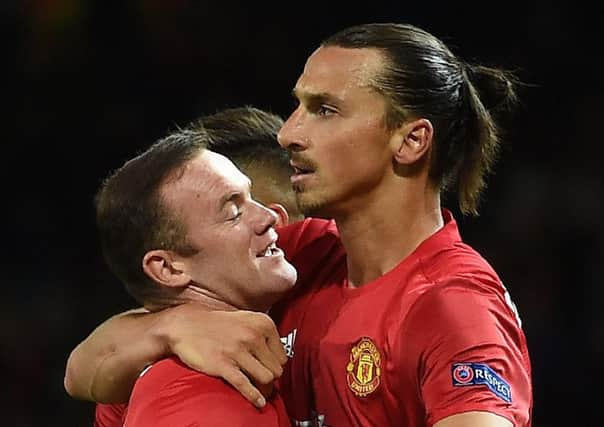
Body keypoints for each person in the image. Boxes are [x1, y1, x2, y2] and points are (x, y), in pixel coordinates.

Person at [66, 23, 533, 427]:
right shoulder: (300, 257)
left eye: (324, 110)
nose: (288, 133)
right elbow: (82, 370)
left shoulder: (450, 307)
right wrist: (173, 327)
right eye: (298, 106)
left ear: (410, 140)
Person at [89, 107, 298, 426]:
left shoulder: (321, 267)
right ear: (168, 268)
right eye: (233, 212)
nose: (271, 218)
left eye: (252, 197)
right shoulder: (195, 398)